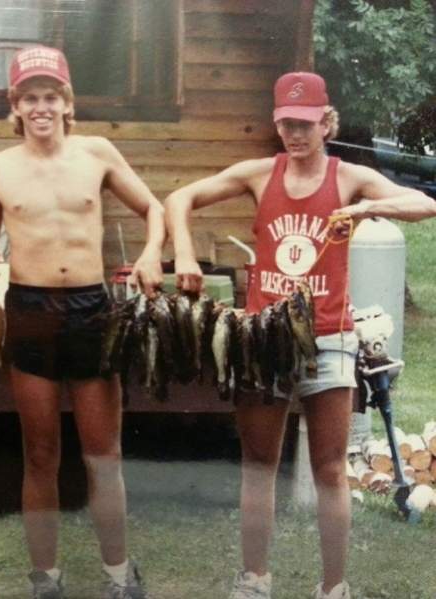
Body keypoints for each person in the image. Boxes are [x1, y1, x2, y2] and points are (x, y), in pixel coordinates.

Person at [165, 71, 435, 599]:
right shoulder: (260, 174)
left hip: (330, 337)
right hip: (264, 339)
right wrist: (179, 250)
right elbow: (181, 199)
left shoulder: (349, 177)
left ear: (325, 122)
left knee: (330, 468)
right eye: (287, 123)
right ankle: (254, 580)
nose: (297, 134)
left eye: (307, 124)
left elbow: (426, 204)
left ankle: (334, 586)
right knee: (260, 463)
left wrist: (363, 209)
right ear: (276, 122)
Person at [0, 45, 165, 599]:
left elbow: (152, 208)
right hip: (30, 310)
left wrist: (151, 254)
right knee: (40, 453)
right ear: (15, 104)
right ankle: (45, 580)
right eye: (29, 97)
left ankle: (118, 577)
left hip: (91, 310)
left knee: (103, 454)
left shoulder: (96, 153)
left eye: (50, 96)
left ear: (66, 102)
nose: (41, 107)